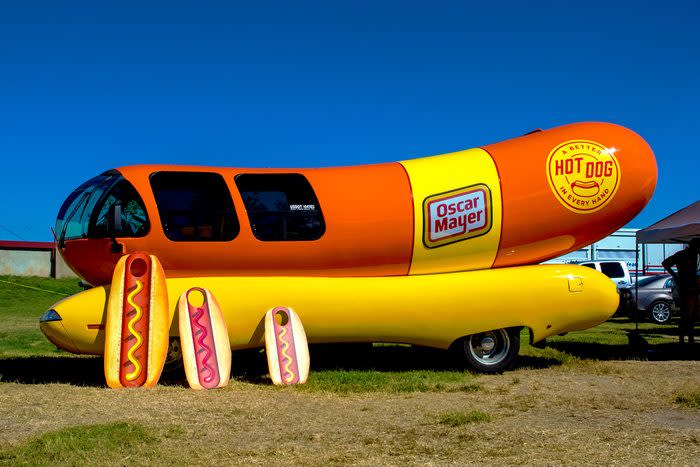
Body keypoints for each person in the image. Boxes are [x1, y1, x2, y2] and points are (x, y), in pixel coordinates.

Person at [662, 238, 700, 344]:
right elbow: (665, 263)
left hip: (695, 288)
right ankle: (683, 339)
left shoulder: (696, 255)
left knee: (694, 314)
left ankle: (690, 338)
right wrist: (676, 276)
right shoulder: (682, 255)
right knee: (686, 314)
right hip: (686, 287)